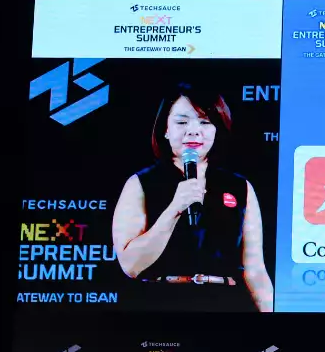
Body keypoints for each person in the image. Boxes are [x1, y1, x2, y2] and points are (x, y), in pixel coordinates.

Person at [112, 82, 274, 312]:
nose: (194, 130)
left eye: (205, 122)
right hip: (161, 303)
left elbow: (255, 270)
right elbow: (131, 265)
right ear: (166, 129)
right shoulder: (141, 183)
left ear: (217, 129)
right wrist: (174, 209)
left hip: (225, 304)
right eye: (182, 122)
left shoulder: (239, 187)